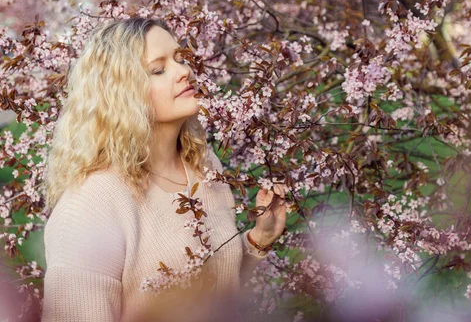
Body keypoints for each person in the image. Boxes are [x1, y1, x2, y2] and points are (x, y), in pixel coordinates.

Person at [41, 18, 287, 321]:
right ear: (120, 93)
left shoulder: (204, 167)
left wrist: (258, 240)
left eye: (181, 59)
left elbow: (212, 295)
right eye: (158, 69)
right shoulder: (91, 205)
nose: (184, 71)